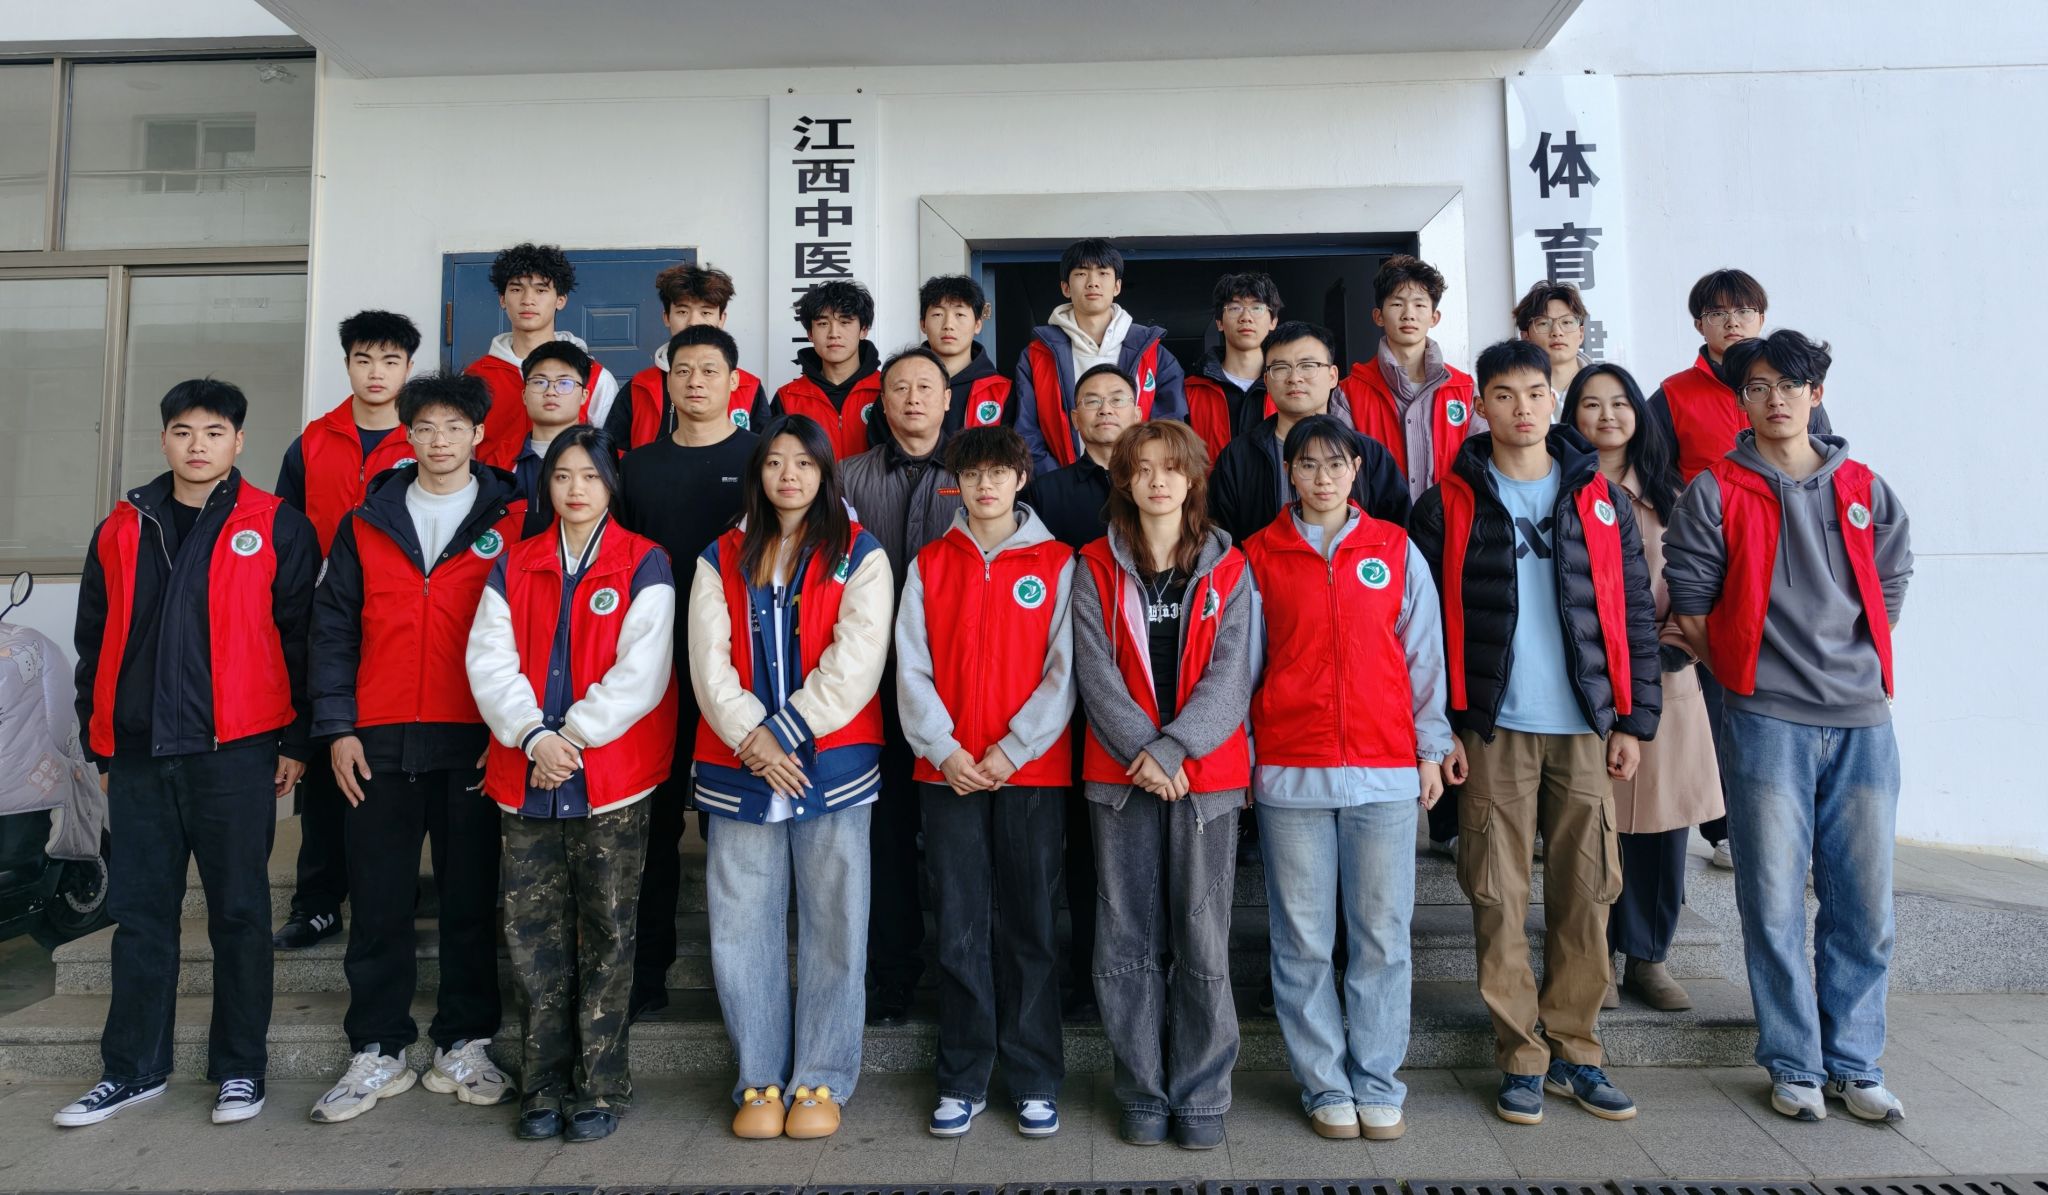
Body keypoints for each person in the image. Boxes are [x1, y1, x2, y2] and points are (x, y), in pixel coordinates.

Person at [1408, 339, 1661, 1128]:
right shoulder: (1446, 502)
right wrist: (1443, 727)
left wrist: (1634, 720)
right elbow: (1421, 628)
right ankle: (1520, 1054)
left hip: (1584, 725)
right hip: (1493, 728)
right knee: (1496, 891)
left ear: (1554, 401)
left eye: (1535, 393)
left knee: (1587, 890)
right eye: (1504, 395)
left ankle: (1578, 1048)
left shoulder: (1599, 498)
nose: (1522, 408)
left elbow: (1635, 612)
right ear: (1480, 404)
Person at [1663, 330, 1914, 1125]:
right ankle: (1795, 1063)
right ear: (1742, 400)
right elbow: (1690, 601)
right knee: (1772, 900)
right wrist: (1746, 674)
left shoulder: (1865, 488)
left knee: (1864, 904)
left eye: (1791, 385)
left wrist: (1857, 658)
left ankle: (1856, 1063)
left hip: (1863, 720)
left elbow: (1893, 577)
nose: (1776, 399)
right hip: (1767, 719)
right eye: (1760, 387)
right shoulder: (1716, 490)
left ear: (1817, 393)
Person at [59, 379, 318, 1128]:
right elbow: (92, 640)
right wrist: (100, 741)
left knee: (239, 913)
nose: (197, 445)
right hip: (139, 754)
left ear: (239, 441)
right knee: (142, 916)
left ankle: (240, 1069)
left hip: (234, 750)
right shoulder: (122, 527)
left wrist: (296, 739)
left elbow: (301, 638)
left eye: (213, 431)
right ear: (164, 439)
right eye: (182, 431)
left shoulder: (276, 524)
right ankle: (132, 1070)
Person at [305, 372, 526, 1122]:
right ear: (407, 435)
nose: (439, 440)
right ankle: (378, 1047)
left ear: (478, 435)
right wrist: (338, 727)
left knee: (470, 898)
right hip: (377, 738)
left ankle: (465, 1040)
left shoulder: (514, 518)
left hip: (474, 736)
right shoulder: (366, 521)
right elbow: (332, 628)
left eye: (454, 427)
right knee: (378, 900)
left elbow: (534, 627)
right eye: (425, 427)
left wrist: (515, 730)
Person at [1242, 414, 1453, 1142]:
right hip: (1291, 769)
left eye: (1336, 463)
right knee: (1302, 938)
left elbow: (1424, 655)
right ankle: (1325, 1083)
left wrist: (1430, 748)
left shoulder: (1393, 548)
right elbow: (1243, 667)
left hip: (1384, 768)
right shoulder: (1258, 555)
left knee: (1382, 936)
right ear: (1290, 473)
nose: (1323, 477)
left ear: (1356, 470)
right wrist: (1246, 755)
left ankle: (1378, 1081)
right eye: (1308, 464)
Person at [466, 425, 677, 1143]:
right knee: (531, 937)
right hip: (525, 774)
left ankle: (601, 1084)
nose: (575, 489)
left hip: (609, 779)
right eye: (562, 476)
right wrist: (533, 735)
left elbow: (642, 672)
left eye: (589, 476)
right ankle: (542, 1084)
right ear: (545, 485)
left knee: (610, 933)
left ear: (611, 483)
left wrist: (573, 736)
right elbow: (489, 660)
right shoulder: (514, 562)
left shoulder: (644, 561)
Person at [687, 415, 893, 1142]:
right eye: (774, 462)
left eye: (803, 463)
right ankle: (759, 1077)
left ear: (825, 472)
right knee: (741, 926)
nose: (788, 476)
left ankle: (821, 1077)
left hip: (829, 763)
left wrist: (786, 730)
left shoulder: (859, 552)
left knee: (837, 923)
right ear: (758, 473)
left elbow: (857, 659)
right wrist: (754, 737)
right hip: (739, 764)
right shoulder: (720, 554)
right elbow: (708, 661)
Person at [1070, 419, 1256, 1151]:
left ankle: (1202, 1094)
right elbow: (1095, 673)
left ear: (1192, 479)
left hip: (1205, 780)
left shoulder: (1229, 567)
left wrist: (1175, 749)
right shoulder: (1093, 564)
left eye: (1170, 468)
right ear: (1123, 479)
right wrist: (1148, 752)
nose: (1156, 480)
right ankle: (1142, 1090)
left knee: (1203, 937)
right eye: (1141, 468)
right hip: (1122, 778)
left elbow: (1231, 676)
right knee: (1125, 936)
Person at [895, 426, 1076, 1139]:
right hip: (947, 773)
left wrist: (1014, 748)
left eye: (999, 473)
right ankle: (963, 1077)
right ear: (957, 484)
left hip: (1031, 772)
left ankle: (1034, 1078)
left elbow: (1064, 670)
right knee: (960, 924)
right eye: (973, 475)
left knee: (1031, 925)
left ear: (1021, 479)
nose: (986, 485)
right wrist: (943, 749)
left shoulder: (1058, 561)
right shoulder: (931, 562)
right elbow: (911, 665)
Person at [1649, 269, 1832, 868]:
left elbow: (1822, 469)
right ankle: (1728, 828)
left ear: (1761, 317)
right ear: (1698, 324)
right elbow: (1653, 468)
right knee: (1718, 695)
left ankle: (1799, 829)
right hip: (1710, 562)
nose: (1732, 322)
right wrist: (1694, 519)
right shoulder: (1673, 394)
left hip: (1785, 565)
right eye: (1718, 313)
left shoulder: (1793, 387)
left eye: (1744, 311)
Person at [1566, 364, 1724, 1013]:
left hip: (1662, 676)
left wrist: (1669, 648)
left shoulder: (1673, 495)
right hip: (1583, 685)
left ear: (1639, 413)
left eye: (1619, 403)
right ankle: (1594, 955)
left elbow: (1702, 586)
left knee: (1660, 831)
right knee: (1589, 826)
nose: (1606, 416)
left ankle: (1649, 957)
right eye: (1591, 404)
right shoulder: (1557, 491)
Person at [616, 324, 760, 1022]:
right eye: (683, 370)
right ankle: (647, 970)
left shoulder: (763, 458)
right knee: (656, 825)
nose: (695, 381)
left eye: (709, 369)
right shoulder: (636, 468)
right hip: (657, 672)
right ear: (666, 381)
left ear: (735, 382)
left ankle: (751, 979)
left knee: (742, 826)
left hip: (743, 672)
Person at [272, 310, 422, 953]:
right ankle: (317, 901)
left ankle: (395, 892)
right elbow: (284, 535)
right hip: (323, 624)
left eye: (390, 361)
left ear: (408, 368)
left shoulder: (425, 439)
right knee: (325, 752)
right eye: (364, 360)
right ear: (347, 365)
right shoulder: (312, 442)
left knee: (392, 763)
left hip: (399, 623)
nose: (376, 373)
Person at [840, 347, 965, 1027]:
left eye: (926, 387)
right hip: (870, 687)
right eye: (899, 388)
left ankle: (963, 977)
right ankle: (891, 977)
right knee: (885, 837)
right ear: (881, 402)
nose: (913, 398)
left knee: (954, 838)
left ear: (948, 399)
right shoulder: (847, 477)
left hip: (958, 689)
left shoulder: (976, 474)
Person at [1019, 361, 1140, 1023]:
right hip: (1057, 686)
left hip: (1137, 689)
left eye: (1116, 398)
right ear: (1072, 417)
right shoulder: (1046, 491)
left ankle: (1128, 972)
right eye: (1090, 401)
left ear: (1138, 407)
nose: (1104, 410)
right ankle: (1077, 976)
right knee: (1068, 844)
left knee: (1120, 845)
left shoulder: (1158, 482)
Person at [1212, 321, 1408, 547]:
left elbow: (1396, 538)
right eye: (1281, 367)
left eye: (1307, 365)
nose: (1294, 378)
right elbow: (1222, 542)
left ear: (1333, 376)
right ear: (1266, 381)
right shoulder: (1238, 457)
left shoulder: (1368, 454)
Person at [1014, 238, 1188, 474]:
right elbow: (1026, 432)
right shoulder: (1037, 356)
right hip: (1062, 484)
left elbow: (1170, 428)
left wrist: (1140, 477)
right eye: (1081, 273)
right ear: (1065, 287)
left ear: (1117, 286)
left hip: (1137, 484)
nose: (1093, 282)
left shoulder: (1154, 354)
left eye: (1103, 273)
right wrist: (1059, 482)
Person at [465, 242, 620, 470]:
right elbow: (463, 453)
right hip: (496, 490)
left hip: (571, 489)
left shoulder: (595, 376)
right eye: (516, 289)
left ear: (561, 299)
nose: (528, 300)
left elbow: (609, 455)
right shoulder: (474, 377)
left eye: (541, 290)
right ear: (502, 299)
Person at [1340, 254, 1478, 502]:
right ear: (1378, 316)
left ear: (1434, 317)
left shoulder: (1465, 389)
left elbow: (1480, 465)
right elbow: (1341, 473)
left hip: (1449, 523)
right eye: (1397, 304)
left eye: (1419, 305)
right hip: (1378, 524)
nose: (1408, 314)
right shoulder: (1349, 392)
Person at [607, 263, 765, 448]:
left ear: (721, 319)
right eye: (682, 312)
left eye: (706, 312)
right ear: (666, 317)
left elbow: (766, 453)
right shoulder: (639, 387)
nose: (693, 322)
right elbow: (615, 455)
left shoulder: (749, 387)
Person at [771, 280, 882, 461]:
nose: (833, 333)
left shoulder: (887, 391)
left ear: (863, 330)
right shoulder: (788, 398)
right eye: (823, 324)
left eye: (845, 322)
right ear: (810, 333)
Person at [1182, 272, 1280, 462]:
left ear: (1273, 321)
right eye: (1235, 308)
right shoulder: (1190, 391)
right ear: (1219, 322)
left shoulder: (1287, 386)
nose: (1246, 317)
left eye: (1257, 307)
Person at [512, 342, 595, 535]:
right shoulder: (498, 462)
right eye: (539, 382)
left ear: (584, 395)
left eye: (564, 383)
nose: (550, 391)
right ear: (524, 395)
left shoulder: (609, 461)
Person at [918, 274, 1014, 436]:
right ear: (923, 324)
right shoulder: (901, 385)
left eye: (960, 314)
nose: (948, 325)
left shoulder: (1003, 392)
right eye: (938, 314)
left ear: (977, 325)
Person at [1515, 281, 1592, 403]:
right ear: (1525, 337)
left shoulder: (1605, 384)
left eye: (1566, 322)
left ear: (1581, 334)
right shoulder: (1510, 389)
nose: (1557, 332)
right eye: (1544, 323)